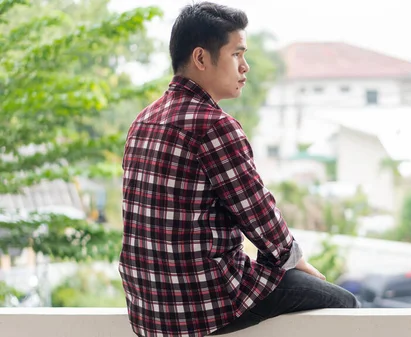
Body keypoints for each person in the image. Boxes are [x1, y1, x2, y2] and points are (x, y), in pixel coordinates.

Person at [118, 2, 359, 337]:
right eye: (236, 55)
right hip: (205, 301)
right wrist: (298, 264)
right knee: (344, 305)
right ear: (201, 59)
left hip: (148, 306)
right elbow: (260, 217)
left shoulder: (143, 120)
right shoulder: (214, 125)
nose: (245, 67)